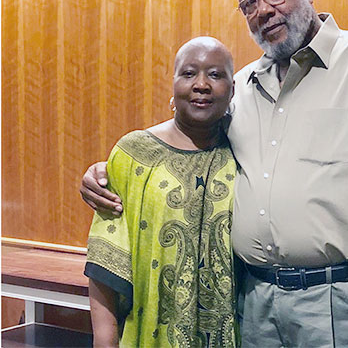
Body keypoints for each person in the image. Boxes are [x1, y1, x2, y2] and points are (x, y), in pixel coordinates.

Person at [81, 0, 348, 348]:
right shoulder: (243, 87)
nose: (263, 10)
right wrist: (108, 170)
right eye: (249, 3)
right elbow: (189, 146)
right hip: (252, 308)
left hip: (340, 304)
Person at [84, 37, 237, 347]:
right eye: (189, 73)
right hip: (149, 333)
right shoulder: (135, 154)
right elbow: (105, 263)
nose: (201, 84)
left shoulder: (246, 151)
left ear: (232, 89)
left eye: (216, 75)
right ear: (173, 84)